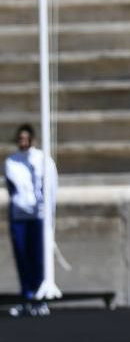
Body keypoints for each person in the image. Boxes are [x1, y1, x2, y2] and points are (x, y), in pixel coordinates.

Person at [5, 124, 60, 317]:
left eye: (26, 138)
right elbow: (12, 189)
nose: (23, 142)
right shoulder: (11, 161)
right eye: (20, 139)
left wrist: (50, 216)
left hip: (38, 217)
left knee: (38, 256)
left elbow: (51, 190)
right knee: (22, 256)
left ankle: (39, 296)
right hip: (19, 216)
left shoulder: (43, 160)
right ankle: (26, 295)